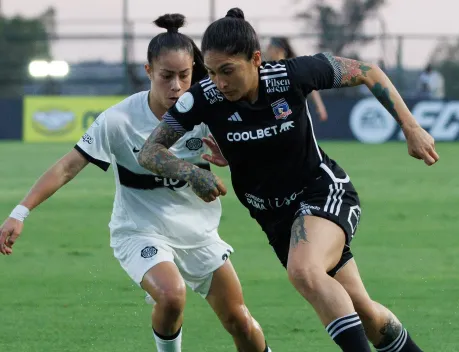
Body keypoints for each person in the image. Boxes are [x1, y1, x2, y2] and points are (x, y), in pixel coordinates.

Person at [137, 7, 440, 352]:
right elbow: (150, 151)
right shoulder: (203, 98)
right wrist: (189, 172)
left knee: (304, 270)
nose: (219, 82)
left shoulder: (291, 75)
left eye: (228, 71)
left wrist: (410, 127)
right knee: (362, 310)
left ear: (255, 59)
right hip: (274, 219)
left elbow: (367, 72)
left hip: (322, 191)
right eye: (210, 71)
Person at [0, 14, 272, 352]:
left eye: (184, 76)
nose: (176, 86)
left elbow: (255, 152)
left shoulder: (208, 112)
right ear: (148, 73)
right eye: (166, 76)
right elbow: (67, 168)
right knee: (172, 296)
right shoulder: (119, 120)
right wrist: (19, 212)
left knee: (239, 321)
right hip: (139, 230)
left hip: (198, 234)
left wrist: (232, 156)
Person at [266, 36, 328, 121]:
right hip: (279, 116)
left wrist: (320, 106)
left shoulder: (293, 68)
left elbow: (311, 85)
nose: (268, 50)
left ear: (278, 50)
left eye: (270, 47)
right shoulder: (269, 70)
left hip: (295, 117)